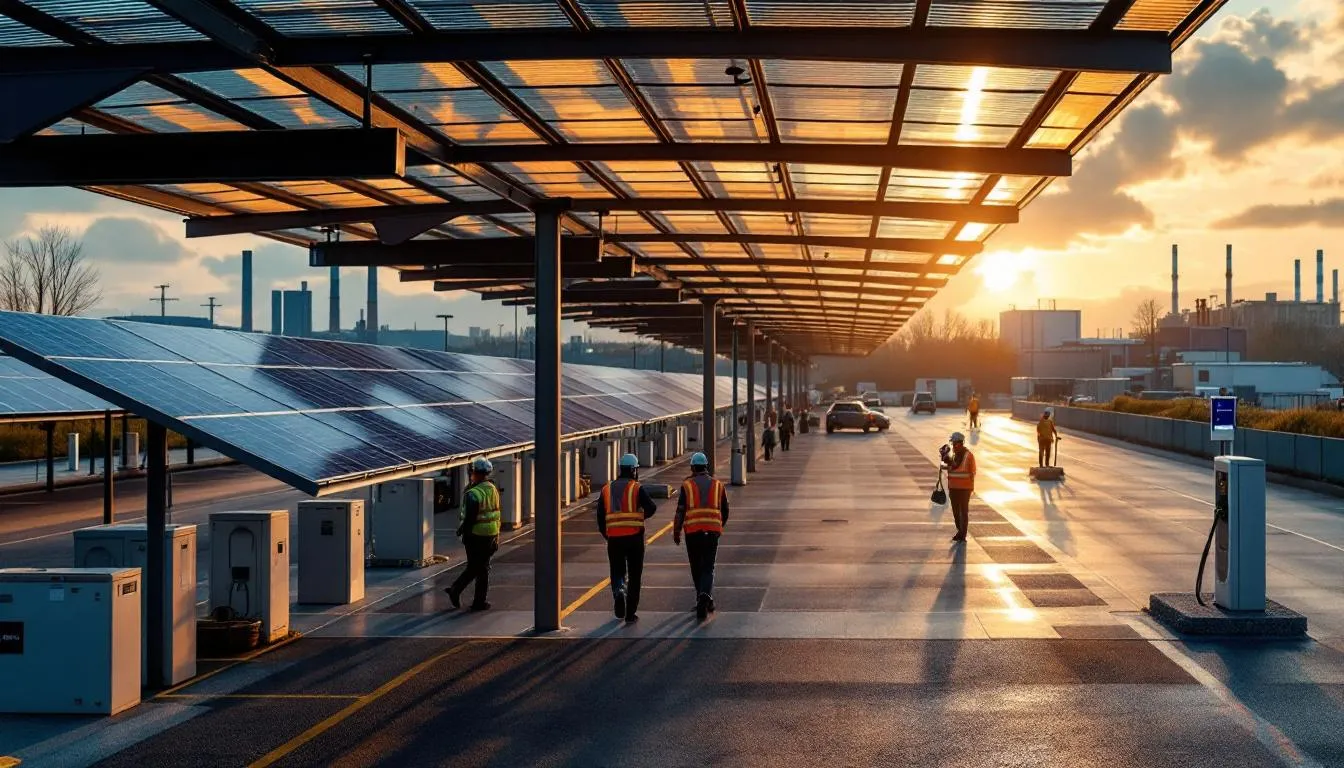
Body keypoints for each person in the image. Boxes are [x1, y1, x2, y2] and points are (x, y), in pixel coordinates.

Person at [596, 453, 658, 623]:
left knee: (617, 570)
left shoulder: (606, 489)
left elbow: (600, 517)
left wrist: (607, 534)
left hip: (614, 538)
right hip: (634, 538)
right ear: (633, 470)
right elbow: (652, 507)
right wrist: (638, 518)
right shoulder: (637, 488)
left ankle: (618, 592)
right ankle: (630, 613)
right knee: (635, 574)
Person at [674, 452, 730, 620]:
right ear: (706, 467)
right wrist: (718, 526)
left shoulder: (687, 485)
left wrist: (676, 531)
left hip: (692, 532)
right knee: (708, 567)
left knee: (696, 566)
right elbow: (725, 510)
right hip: (712, 531)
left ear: (692, 467)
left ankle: (702, 597)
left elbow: (680, 511)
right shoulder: (718, 485)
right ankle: (705, 598)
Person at [446, 456, 501, 611]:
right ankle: (478, 601)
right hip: (491, 534)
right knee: (482, 567)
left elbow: (471, 517)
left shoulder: (473, 493)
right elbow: (495, 514)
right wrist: (497, 536)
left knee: (476, 567)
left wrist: (462, 532)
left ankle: (456, 590)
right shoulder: (493, 489)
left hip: (476, 535)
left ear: (474, 472)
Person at [940, 432, 975, 543]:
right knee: (956, 511)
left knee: (963, 511)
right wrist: (945, 464)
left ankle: (962, 534)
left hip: (964, 489)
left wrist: (948, 461)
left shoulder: (968, 455)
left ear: (960, 443)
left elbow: (962, 468)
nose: (953, 446)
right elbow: (954, 467)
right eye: (953, 444)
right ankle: (960, 531)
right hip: (954, 488)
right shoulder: (955, 455)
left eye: (955, 444)